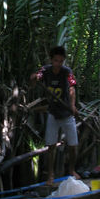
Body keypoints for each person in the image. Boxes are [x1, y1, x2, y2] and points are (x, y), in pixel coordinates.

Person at [30, 46, 79, 184]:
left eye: (61, 61)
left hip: (66, 114)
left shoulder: (67, 72)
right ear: (51, 60)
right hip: (53, 113)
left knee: (73, 145)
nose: (58, 64)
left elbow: (72, 87)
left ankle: (71, 170)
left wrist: (72, 106)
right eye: (56, 61)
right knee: (51, 146)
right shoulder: (45, 70)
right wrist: (34, 78)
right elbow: (36, 79)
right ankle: (50, 176)